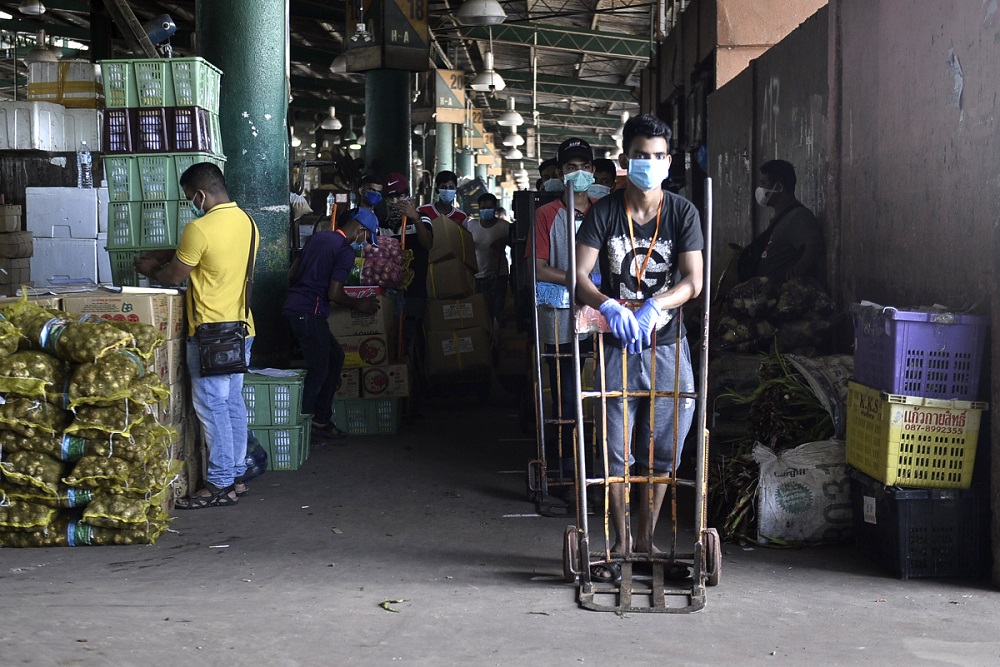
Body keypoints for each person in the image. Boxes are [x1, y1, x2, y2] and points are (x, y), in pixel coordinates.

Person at [575, 114, 704, 581]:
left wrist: (656, 304)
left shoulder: (682, 213)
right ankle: (619, 546)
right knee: (614, 453)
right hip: (616, 348)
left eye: (656, 156)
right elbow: (579, 275)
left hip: (667, 347)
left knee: (666, 452)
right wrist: (610, 307)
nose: (647, 164)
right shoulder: (603, 212)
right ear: (625, 161)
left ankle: (648, 542)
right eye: (639, 156)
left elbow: (694, 280)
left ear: (668, 162)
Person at [134, 162, 259, 509]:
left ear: (201, 194)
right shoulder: (248, 223)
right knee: (232, 403)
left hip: (210, 333)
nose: (191, 202)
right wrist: (168, 252)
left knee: (212, 407)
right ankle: (235, 475)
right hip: (242, 329)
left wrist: (151, 269)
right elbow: (212, 256)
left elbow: (174, 276)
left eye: (190, 197)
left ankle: (218, 483)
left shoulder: (199, 228)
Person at [531, 137, 597, 485]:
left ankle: (603, 466)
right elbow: (539, 268)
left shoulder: (605, 209)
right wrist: (580, 280)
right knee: (566, 395)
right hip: (560, 318)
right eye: (570, 168)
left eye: (584, 167)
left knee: (602, 390)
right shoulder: (546, 215)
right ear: (560, 173)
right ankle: (569, 469)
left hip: (601, 317)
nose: (578, 173)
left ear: (593, 170)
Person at [284, 207, 380, 441]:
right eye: (367, 237)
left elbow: (292, 275)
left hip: (295, 307)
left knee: (334, 357)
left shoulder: (317, 238)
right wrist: (360, 305)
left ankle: (321, 418)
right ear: (360, 230)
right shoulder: (344, 250)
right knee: (319, 369)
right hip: (309, 311)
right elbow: (335, 293)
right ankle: (304, 426)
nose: (365, 243)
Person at [737, 159, 824, 284]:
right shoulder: (781, 217)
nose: (760, 189)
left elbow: (814, 245)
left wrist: (796, 271)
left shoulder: (799, 216)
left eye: (763, 183)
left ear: (778, 187)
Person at [465, 192, 510, 324]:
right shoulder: (471, 225)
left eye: (489, 208)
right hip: (478, 275)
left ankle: (496, 335)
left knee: (497, 309)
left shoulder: (504, 226)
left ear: (495, 208)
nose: (486, 211)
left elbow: (514, 245)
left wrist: (504, 241)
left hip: (499, 275)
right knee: (481, 310)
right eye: (483, 208)